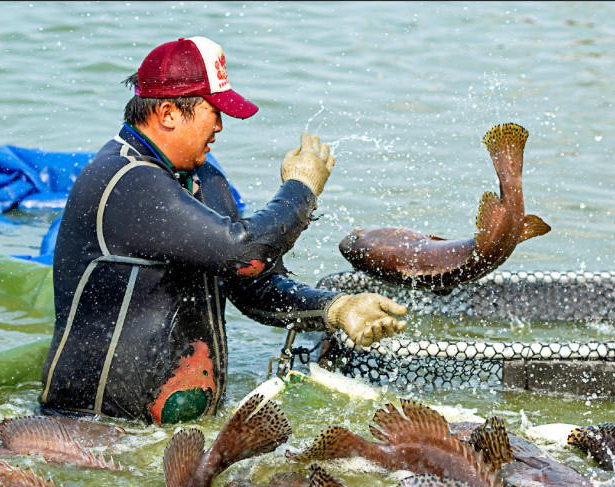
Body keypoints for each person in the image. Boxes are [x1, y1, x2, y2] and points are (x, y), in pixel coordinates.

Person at [38, 36, 407, 425]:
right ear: (167, 113)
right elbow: (241, 250)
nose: (220, 125)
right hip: (94, 428)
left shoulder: (203, 177)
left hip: (168, 435)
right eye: (213, 111)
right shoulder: (125, 179)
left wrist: (335, 307)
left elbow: (250, 280)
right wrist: (300, 189)